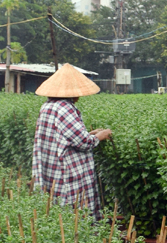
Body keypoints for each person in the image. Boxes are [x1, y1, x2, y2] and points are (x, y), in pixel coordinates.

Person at [32, 63, 112, 220]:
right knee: (75, 211)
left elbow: (64, 137)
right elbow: (82, 142)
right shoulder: (65, 108)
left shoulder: (47, 106)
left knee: (57, 210)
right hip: (67, 170)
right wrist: (100, 136)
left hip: (52, 167)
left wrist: (88, 133)